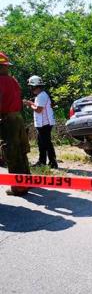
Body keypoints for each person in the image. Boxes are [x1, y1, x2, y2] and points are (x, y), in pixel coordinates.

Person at [0, 52, 31, 196]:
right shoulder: (13, 80)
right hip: (18, 117)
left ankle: (19, 188)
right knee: (21, 150)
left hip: (8, 120)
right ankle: (28, 181)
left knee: (12, 152)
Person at [23, 75, 58, 169]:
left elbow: (39, 110)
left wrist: (30, 104)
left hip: (44, 124)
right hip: (42, 123)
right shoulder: (41, 95)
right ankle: (43, 161)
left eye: (31, 86)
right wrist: (31, 103)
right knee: (42, 143)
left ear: (35, 86)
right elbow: (38, 107)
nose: (31, 89)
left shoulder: (42, 96)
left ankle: (52, 163)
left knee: (46, 143)